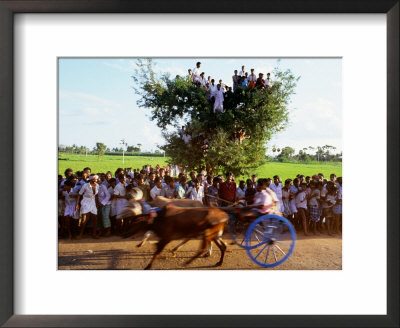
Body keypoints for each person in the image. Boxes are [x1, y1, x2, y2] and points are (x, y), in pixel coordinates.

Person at [75, 174, 99, 239]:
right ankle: (80, 234)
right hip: (85, 201)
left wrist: (97, 203)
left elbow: (96, 195)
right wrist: (77, 204)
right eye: (94, 179)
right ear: (91, 179)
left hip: (93, 202)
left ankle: (94, 234)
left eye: (96, 179)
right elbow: (79, 194)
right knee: (83, 220)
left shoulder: (97, 185)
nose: (95, 180)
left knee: (95, 219)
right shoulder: (85, 185)